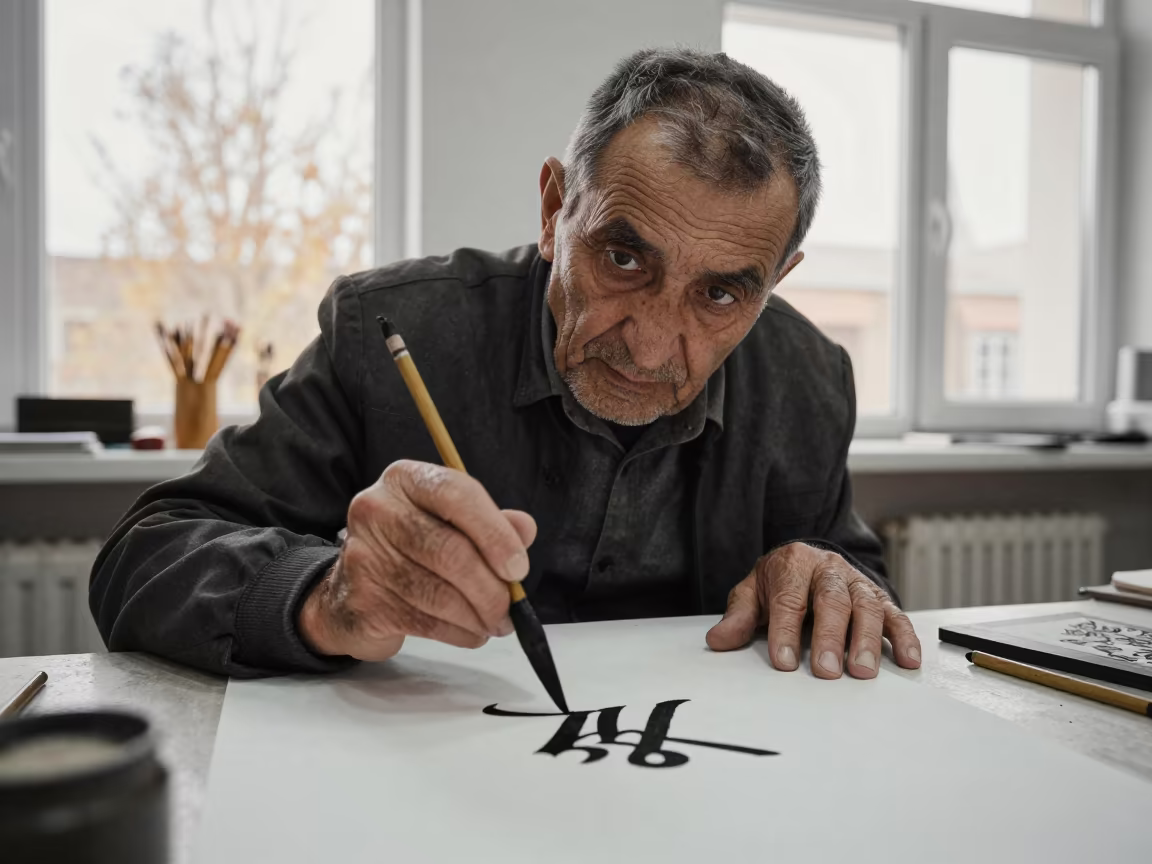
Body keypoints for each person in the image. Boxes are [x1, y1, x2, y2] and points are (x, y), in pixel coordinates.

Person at [90, 47, 922, 681]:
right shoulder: (390, 331)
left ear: (775, 280)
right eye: (624, 260)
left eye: (719, 297)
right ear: (557, 210)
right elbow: (146, 559)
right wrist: (328, 596)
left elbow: (852, 576)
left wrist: (828, 578)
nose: (650, 345)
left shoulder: (810, 380)